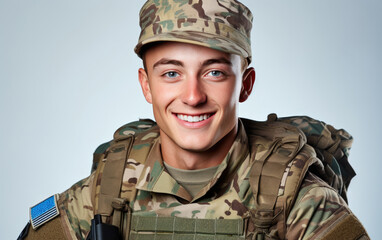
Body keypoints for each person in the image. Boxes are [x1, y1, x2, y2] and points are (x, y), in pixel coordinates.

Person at [18, 0, 369, 239]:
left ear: (244, 85)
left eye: (214, 72)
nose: (192, 96)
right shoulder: (111, 184)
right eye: (171, 73)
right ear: (146, 86)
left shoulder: (290, 193)